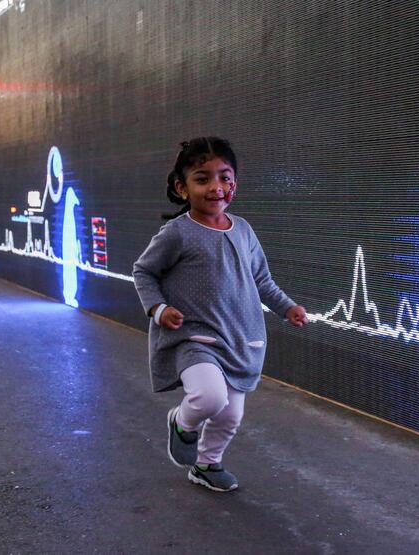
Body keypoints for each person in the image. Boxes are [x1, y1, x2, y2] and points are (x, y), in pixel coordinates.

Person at [133, 137, 308, 492]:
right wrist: (159, 308)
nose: (216, 187)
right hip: (194, 338)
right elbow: (144, 272)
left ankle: (207, 464)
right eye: (203, 178)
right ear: (182, 187)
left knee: (230, 415)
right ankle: (182, 424)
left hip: (239, 338)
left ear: (235, 183)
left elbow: (261, 280)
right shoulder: (177, 233)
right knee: (210, 397)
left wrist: (287, 307)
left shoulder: (243, 230)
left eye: (225, 178)